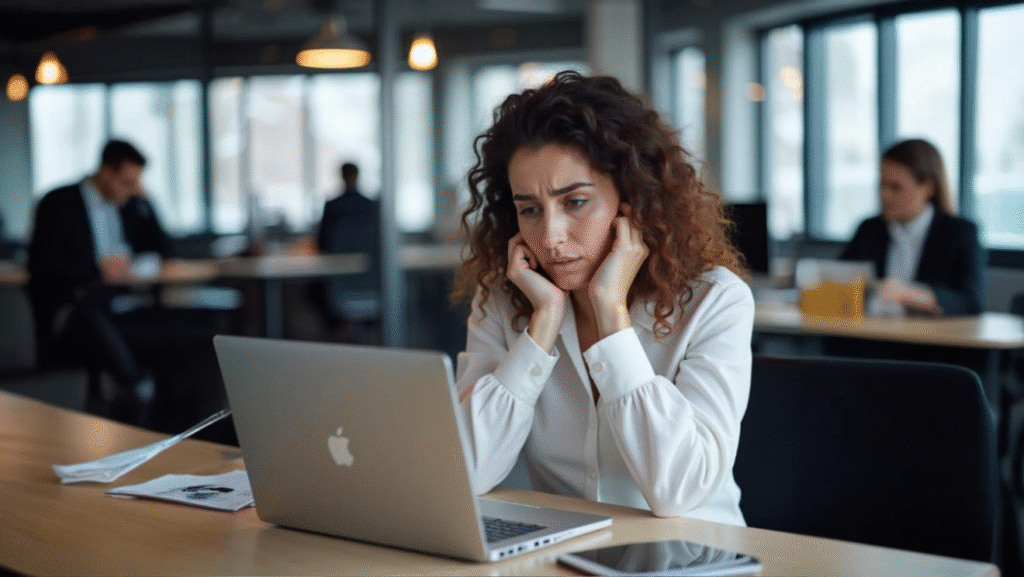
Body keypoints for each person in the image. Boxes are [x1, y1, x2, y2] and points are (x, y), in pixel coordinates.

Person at [450, 71, 754, 524]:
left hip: (692, 557)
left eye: (575, 202)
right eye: (530, 210)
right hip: (566, 554)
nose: (550, 238)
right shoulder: (505, 298)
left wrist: (611, 316)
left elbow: (681, 490)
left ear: (631, 199)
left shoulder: (716, 301)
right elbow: (464, 473)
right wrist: (542, 327)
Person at [27, 139, 171, 406]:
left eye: (135, 184)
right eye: (126, 182)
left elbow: (165, 248)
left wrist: (146, 201)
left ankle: (160, 402)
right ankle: (137, 386)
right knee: (91, 317)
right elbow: (43, 267)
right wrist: (97, 269)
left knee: (177, 324)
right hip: (74, 304)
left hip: (122, 300)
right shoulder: (59, 203)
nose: (130, 190)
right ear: (106, 171)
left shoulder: (128, 203)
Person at [840, 138, 984, 316]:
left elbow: (970, 303)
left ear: (928, 188)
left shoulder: (959, 233)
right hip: (871, 337)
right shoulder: (869, 229)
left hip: (929, 339)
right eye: (882, 185)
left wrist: (907, 295)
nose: (884, 195)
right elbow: (840, 279)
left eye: (895, 187)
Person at [314, 162, 381, 341]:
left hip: (338, 289)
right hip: (373, 287)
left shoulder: (333, 206)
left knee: (311, 291)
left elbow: (321, 245)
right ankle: (364, 331)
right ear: (358, 176)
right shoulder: (372, 206)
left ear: (342, 176)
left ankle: (338, 332)